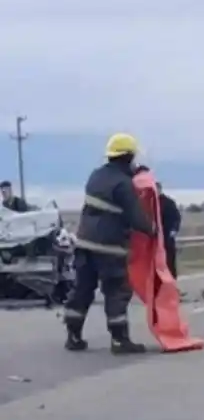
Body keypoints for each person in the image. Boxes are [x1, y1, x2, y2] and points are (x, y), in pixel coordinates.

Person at [63, 133, 158, 354]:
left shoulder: (96, 177)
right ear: (128, 156)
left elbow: (109, 188)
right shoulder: (124, 184)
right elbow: (136, 217)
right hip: (109, 248)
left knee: (82, 289)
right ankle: (119, 340)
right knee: (116, 291)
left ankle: (73, 336)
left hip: (85, 244)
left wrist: (135, 173)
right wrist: (153, 230)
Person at [157, 182, 182, 279]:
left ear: (160, 189)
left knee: (169, 262)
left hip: (167, 236)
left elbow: (177, 217)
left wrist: (174, 230)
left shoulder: (168, 202)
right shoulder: (149, 202)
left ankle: (171, 286)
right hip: (154, 238)